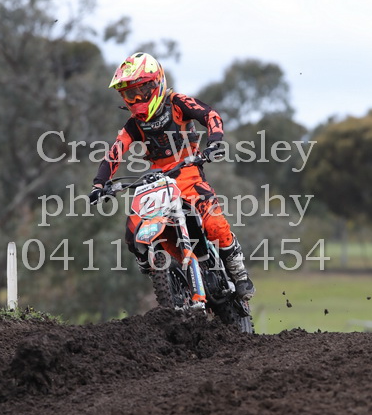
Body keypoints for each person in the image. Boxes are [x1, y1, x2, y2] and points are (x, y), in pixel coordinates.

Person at [89, 52, 255, 301]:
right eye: (129, 95)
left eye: (141, 91)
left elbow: (210, 115)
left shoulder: (177, 103)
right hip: (157, 179)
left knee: (214, 224)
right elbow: (115, 151)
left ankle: (238, 273)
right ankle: (165, 276)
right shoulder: (133, 125)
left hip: (188, 171)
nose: (136, 99)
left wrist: (215, 142)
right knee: (134, 231)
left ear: (156, 83)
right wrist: (99, 185)